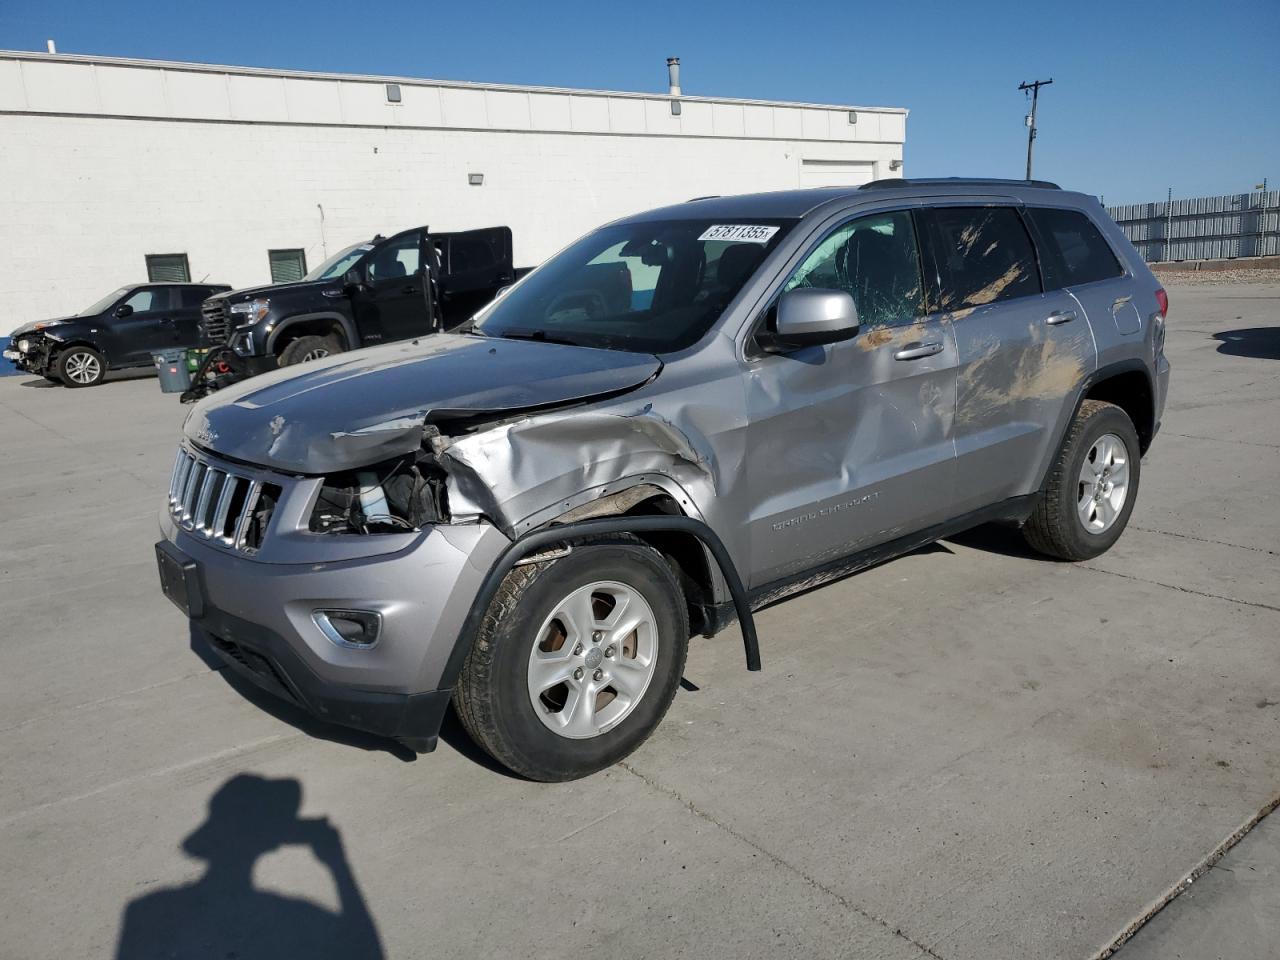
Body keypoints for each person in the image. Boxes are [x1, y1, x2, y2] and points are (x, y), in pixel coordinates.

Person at [116, 774, 383, 959]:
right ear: (277, 839)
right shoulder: (303, 914)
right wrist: (339, 866)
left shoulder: (145, 909)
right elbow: (369, 950)